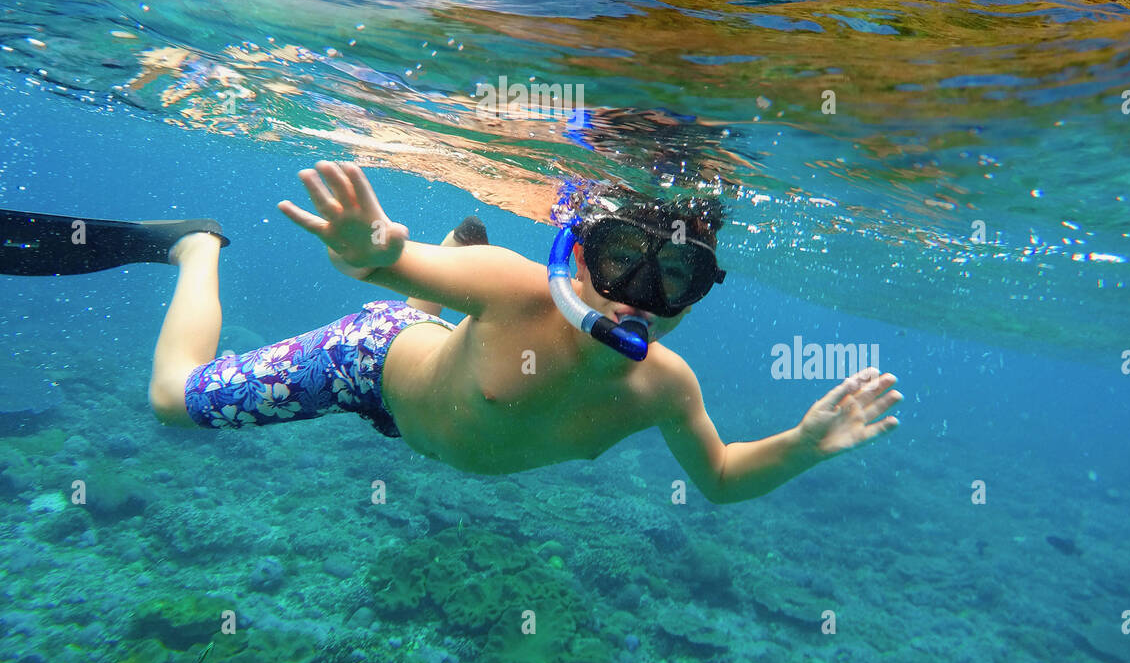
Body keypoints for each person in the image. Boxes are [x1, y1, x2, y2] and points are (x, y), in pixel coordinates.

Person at [148, 162, 901, 499]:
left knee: (431, 315)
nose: (633, 298)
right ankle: (196, 246)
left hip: (430, 389)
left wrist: (802, 447)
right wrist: (369, 251)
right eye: (616, 262)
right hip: (368, 364)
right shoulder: (514, 288)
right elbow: (380, 262)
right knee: (174, 402)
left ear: (693, 300)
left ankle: (443, 280)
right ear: (575, 257)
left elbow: (723, 477)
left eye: (671, 277)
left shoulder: (667, 388)